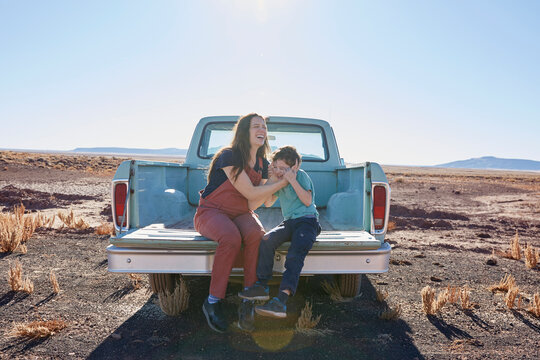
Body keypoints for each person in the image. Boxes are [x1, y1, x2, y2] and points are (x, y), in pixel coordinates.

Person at [194, 113, 287, 333]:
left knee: (257, 235)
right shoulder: (229, 155)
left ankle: (248, 300)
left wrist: (276, 180)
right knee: (231, 237)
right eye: (256, 126)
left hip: (241, 212)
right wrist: (281, 183)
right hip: (211, 212)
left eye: (264, 127)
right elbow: (250, 191)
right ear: (244, 131)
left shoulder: (264, 163)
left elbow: (256, 202)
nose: (261, 130)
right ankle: (213, 301)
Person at [238, 145, 321, 319]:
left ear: (294, 167)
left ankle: (281, 300)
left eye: (283, 169)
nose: (280, 171)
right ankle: (262, 285)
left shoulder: (301, 176)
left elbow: (307, 201)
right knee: (267, 239)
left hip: (307, 222)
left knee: (294, 255)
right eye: (276, 167)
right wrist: (272, 179)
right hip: (290, 222)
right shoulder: (279, 179)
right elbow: (268, 202)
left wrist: (292, 180)